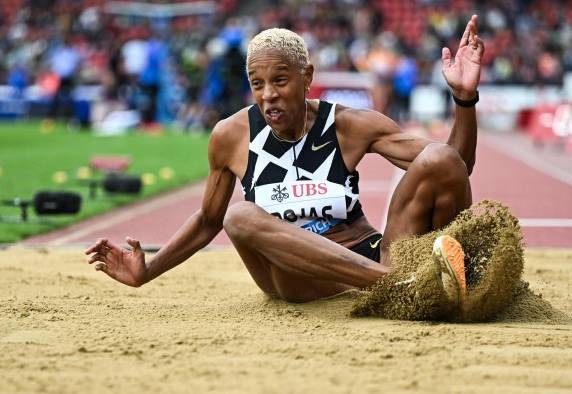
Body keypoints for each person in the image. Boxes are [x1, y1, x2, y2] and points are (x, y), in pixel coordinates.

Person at [85, 16, 484, 308]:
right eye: (257, 84)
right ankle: (398, 284)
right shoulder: (231, 135)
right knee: (239, 217)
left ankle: (412, 281)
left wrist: (464, 99)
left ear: (306, 76)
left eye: (280, 80)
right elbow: (209, 221)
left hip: (368, 253)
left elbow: (453, 167)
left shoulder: (348, 124)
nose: (268, 94)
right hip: (296, 278)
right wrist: (148, 271)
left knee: (436, 157)